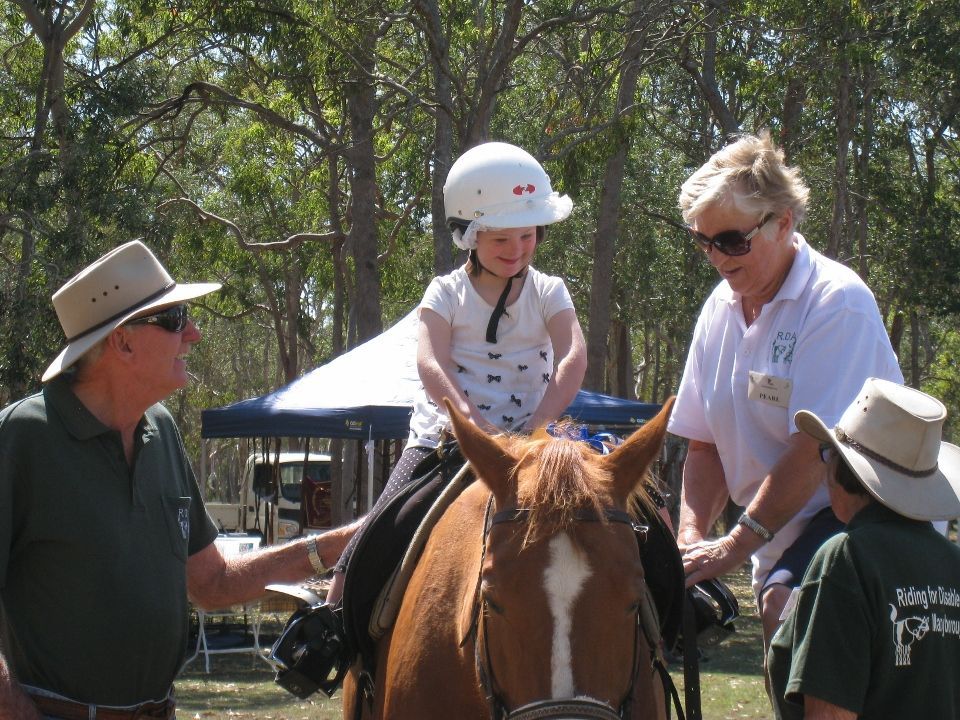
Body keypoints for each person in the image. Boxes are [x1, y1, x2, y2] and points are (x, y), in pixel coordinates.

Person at [0, 240, 353, 719]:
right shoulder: (22, 438)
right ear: (122, 341)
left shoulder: (160, 429)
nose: (194, 333)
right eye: (174, 319)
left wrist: (338, 545)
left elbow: (211, 582)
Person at [666, 131, 903, 652]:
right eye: (703, 241)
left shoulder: (836, 303)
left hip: (862, 513)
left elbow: (815, 452)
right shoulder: (719, 309)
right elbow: (702, 444)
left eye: (730, 240)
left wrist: (731, 546)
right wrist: (689, 541)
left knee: (787, 610)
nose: (716, 257)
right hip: (774, 531)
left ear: (783, 223)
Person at [325, 140, 587, 603]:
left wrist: (538, 426)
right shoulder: (444, 292)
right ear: (469, 235)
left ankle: (673, 613)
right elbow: (431, 363)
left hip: (538, 436)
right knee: (374, 538)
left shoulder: (550, 291)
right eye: (501, 238)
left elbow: (574, 358)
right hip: (443, 438)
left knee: (629, 510)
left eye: (527, 236)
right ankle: (334, 622)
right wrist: (474, 427)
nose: (517, 249)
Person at [768, 377, 960, 719]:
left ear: (843, 471)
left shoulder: (845, 557)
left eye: (829, 455)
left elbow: (829, 714)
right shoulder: (951, 561)